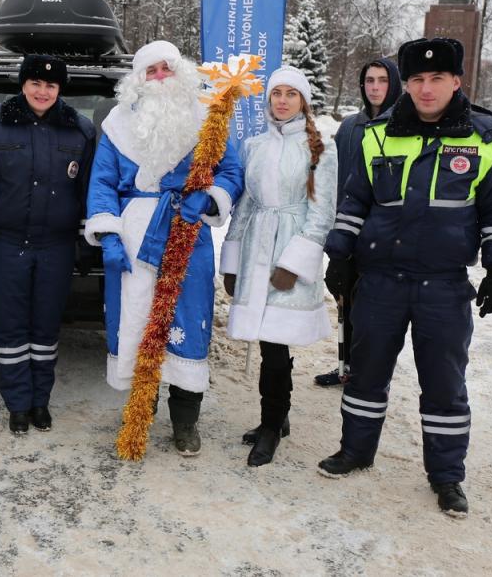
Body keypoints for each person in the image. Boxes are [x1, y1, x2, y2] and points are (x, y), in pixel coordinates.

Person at [318, 38, 492, 518]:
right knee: (365, 376)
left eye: (436, 80)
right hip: (381, 281)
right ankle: (356, 451)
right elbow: (354, 202)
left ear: (456, 81)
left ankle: (447, 477)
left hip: (444, 285)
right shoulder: (379, 134)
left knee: (445, 385)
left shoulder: (485, 136)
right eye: (416, 81)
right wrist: (340, 255)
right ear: (405, 85)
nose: (426, 90)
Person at [85, 40, 243, 457]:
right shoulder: (118, 125)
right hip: (135, 233)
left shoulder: (209, 116)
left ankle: (186, 423)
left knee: (187, 321)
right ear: (138, 78)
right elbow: (101, 181)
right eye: (150, 70)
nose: (159, 77)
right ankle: (141, 412)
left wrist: (210, 198)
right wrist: (109, 233)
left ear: (180, 71)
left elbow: (231, 169)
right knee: (139, 323)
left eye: (165, 69)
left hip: (187, 230)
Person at [0, 54, 95, 435]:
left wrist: (87, 241)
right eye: (35, 83)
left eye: (50, 85)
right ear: (22, 85)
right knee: (12, 327)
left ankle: (40, 402)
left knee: (46, 328)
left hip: (56, 246)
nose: (42, 90)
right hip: (8, 244)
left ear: (59, 89)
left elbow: (87, 193)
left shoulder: (79, 131)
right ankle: (17, 403)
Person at [220, 66, 337, 466]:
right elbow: (246, 205)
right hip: (256, 250)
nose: (283, 100)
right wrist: (232, 261)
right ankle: (277, 417)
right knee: (268, 342)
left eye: (291, 93)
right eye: (276, 93)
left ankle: (271, 426)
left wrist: (295, 263)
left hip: (288, 252)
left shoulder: (319, 147)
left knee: (274, 345)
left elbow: (321, 214)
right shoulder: (254, 145)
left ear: (303, 100)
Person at [315, 58, 402, 387]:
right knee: (345, 299)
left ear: (393, 83)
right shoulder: (350, 126)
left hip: (383, 234)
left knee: (373, 309)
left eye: (382, 80)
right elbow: (336, 178)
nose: (376, 87)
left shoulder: (403, 126)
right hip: (347, 229)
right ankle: (346, 367)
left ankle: (370, 374)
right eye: (370, 81)